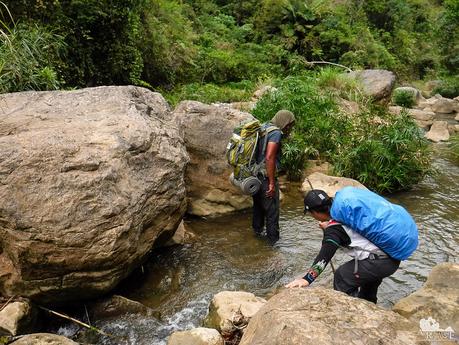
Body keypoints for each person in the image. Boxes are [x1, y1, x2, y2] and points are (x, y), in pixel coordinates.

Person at [285, 189, 401, 304]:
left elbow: (324, 256)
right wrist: (328, 227)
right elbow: (345, 233)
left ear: (315, 212)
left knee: (342, 276)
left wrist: (307, 279)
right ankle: (370, 308)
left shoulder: (334, 230)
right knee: (366, 284)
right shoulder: (346, 213)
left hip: (380, 262)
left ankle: (351, 313)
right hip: (392, 256)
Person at [252, 110, 295, 244]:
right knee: (272, 211)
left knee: (258, 207)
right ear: (284, 121)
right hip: (265, 178)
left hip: (254, 176)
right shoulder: (275, 133)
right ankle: (273, 244)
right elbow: (269, 157)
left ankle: (256, 237)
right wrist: (271, 183)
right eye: (289, 125)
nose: (289, 128)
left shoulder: (264, 127)